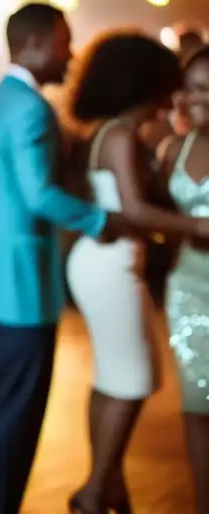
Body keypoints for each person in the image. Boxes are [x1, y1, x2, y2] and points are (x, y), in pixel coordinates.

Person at [0, 2, 124, 514]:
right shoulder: (31, 108)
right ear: (37, 43)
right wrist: (101, 220)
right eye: (66, 41)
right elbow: (39, 195)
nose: (72, 55)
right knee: (16, 419)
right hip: (19, 283)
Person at [63, 31, 209, 513]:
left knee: (113, 378)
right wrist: (195, 224)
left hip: (105, 262)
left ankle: (108, 485)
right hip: (112, 265)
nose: (176, 95)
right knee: (133, 379)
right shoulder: (122, 134)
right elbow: (136, 209)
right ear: (147, 82)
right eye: (171, 85)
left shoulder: (112, 130)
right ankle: (95, 489)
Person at [159, 45, 209, 514]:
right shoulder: (174, 148)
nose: (201, 98)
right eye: (194, 87)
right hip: (189, 289)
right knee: (196, 404)